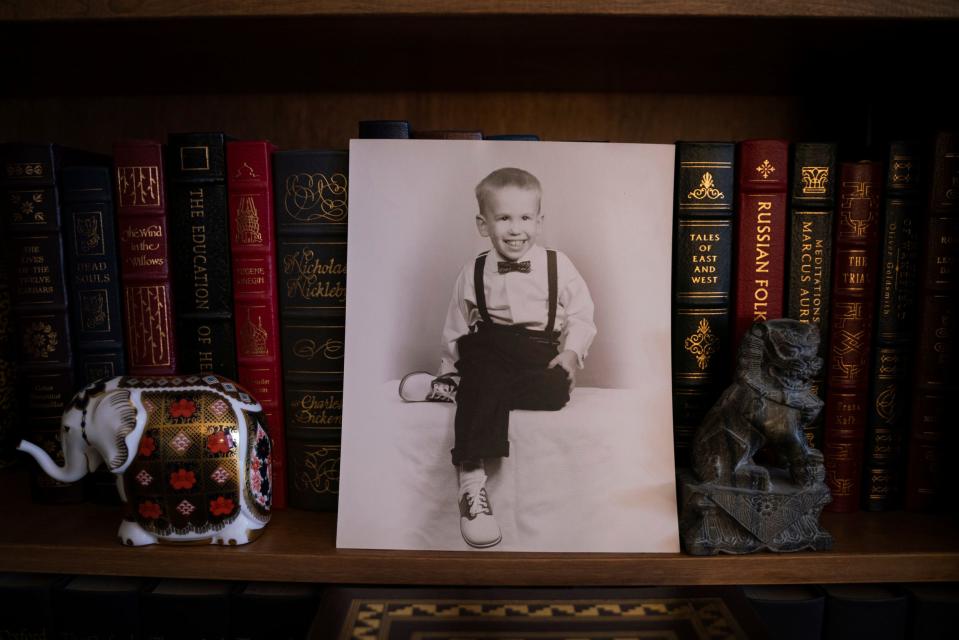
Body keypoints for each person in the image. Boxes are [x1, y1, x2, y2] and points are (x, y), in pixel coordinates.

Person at [429, 167, 596, 548]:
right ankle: (471, 483)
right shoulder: (472, 272)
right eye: (503, 218)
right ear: (482, 224)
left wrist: (570, 354)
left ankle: (458, 390)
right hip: (487, 347)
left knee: (555, 393)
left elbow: (583, 316)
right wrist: (449, 367)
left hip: (538, 352)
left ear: (539, 221)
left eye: (524, 218)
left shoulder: (559, 265)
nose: (515, 229)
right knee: (484, 373)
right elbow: (455, 328)